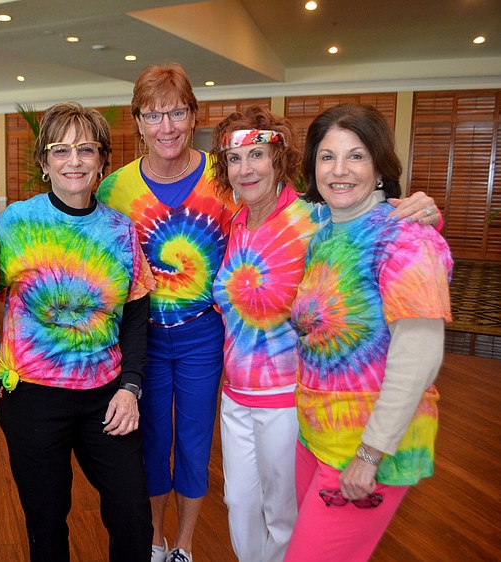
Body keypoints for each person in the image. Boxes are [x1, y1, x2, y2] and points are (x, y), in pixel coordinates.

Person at [210, 105, 441, 562]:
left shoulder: (313, 219)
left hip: (294, 402)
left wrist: (427, 213)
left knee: (288, 521)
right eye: (234, 159)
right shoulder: (238, 224)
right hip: (252, 400)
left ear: (279, 159)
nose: (246, 168)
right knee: (240, 505)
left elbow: (386, 233)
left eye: (257, 154)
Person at [285, 103, 452, 561]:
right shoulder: (324, 237)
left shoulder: (406, 238)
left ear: (379, 167)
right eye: (327, 156)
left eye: (356, 156)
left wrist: (370, 453)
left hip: (366, 448)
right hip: (318, 437)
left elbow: (418, 356)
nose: (339, 170)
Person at [0, 102, 155, 561]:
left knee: (132, 513)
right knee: (46, 522)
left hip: (106, 395)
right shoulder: (16, 223)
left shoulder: (120, 230)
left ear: (102, 161)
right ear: (44, 163)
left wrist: (130, 387)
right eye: (60, 150)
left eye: (86, 149)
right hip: (32, 397)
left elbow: (136, 315)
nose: (74, 160)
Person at [96, 62, 237, 562]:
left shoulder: (225, 178)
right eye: (153, 116)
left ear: (194, 115)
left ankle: (185, 543)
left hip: (204, 335)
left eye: (176, 113)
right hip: (143, 340)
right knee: (151, 443)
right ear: (138, 122)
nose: (167, 127)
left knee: (195, 444)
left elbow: (282, 211)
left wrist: (388, 204)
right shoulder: (114, 190)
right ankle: (155, 538)